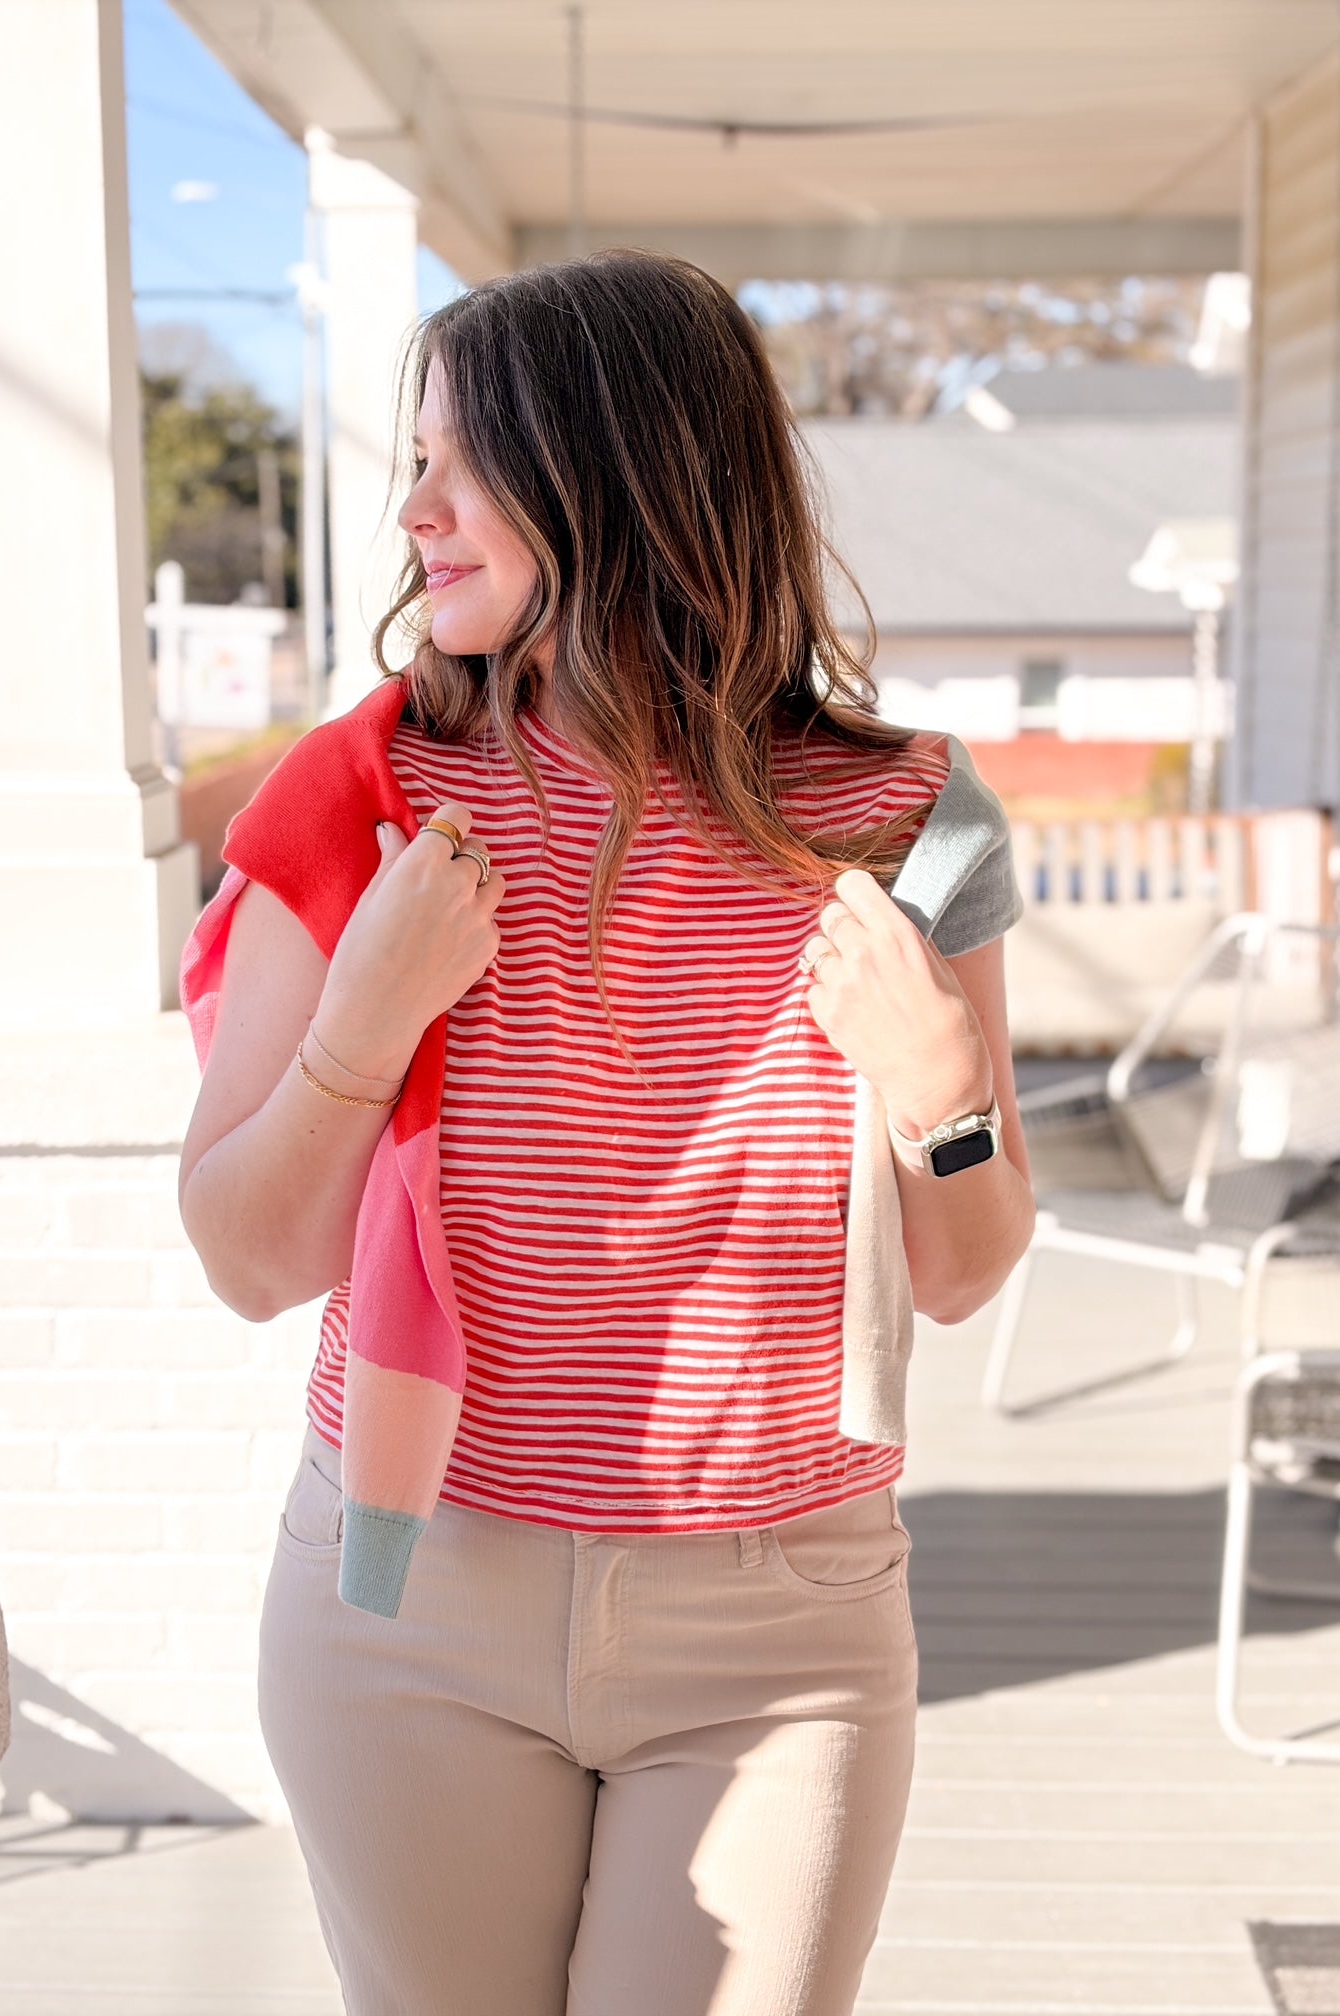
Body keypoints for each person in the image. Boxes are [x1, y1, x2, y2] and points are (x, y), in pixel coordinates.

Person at [177, 250, 1035, 2016]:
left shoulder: (915, 819)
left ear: (619, 467)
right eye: (407, 462)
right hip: (410, 1603)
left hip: (778, 1625)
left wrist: (937, 1096)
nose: (410, 511)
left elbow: (959, 1268)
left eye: (455, 460)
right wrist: (362, 1025)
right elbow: (250, 1260)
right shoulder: (359, 801)